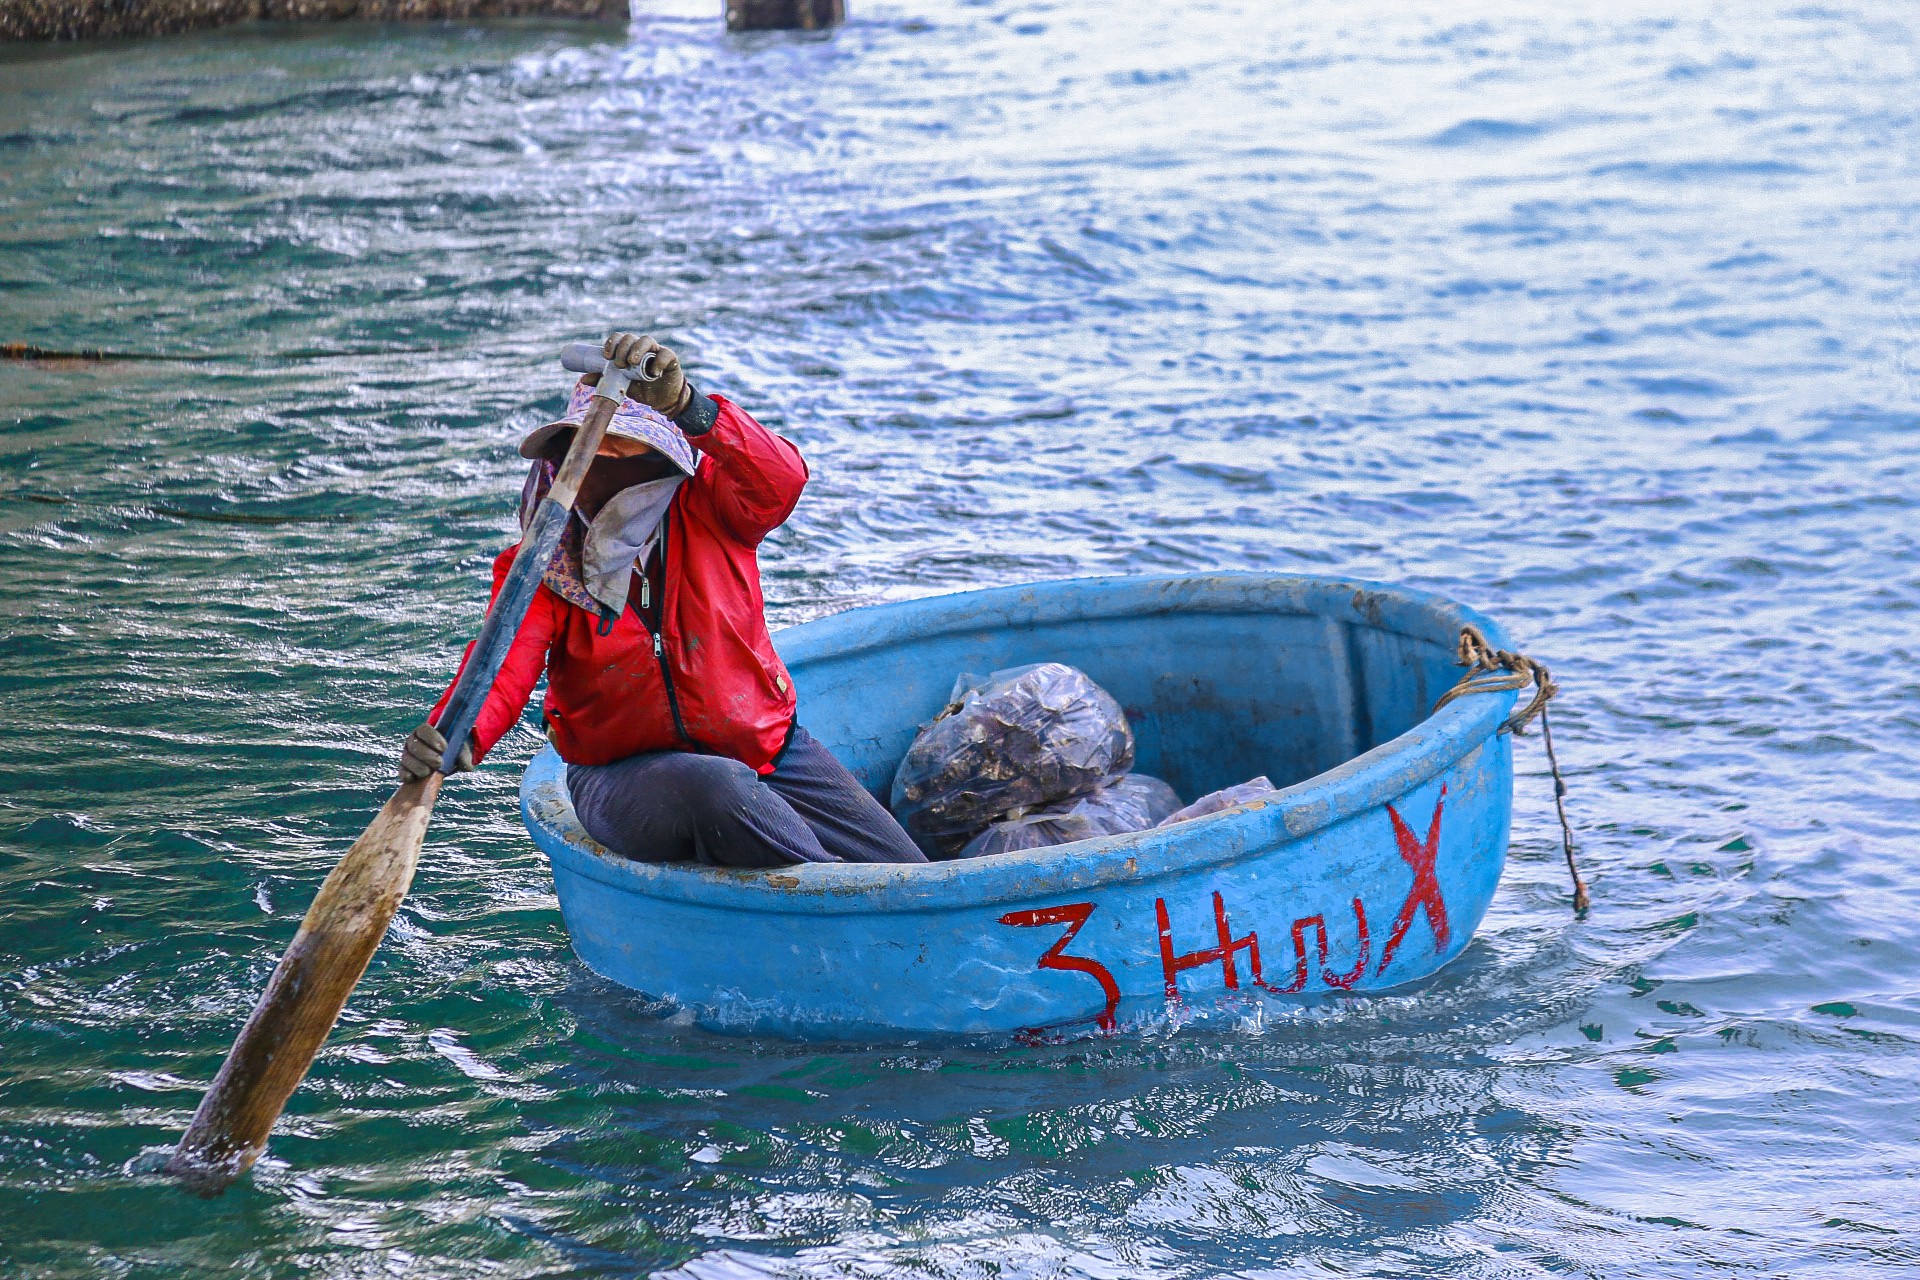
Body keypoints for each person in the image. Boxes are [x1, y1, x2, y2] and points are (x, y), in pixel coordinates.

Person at [398, 332, 927, 869]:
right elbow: (503, 664)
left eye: (626, 448)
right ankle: (833, 894)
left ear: (660, 457)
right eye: (593, 449)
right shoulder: (541, 561)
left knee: (910, 874)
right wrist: (456, 731)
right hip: (623, 778)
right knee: (715, 788)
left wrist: (688, 408)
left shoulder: (713, 510)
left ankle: (842, 887)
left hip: (771, 753)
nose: (608, 462)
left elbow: (781, 478)